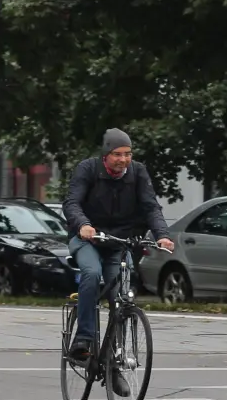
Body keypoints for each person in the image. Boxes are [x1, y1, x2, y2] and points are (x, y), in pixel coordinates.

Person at [61, 129, 175, 378]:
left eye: (128, 154)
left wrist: (162, 235)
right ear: (105, 155)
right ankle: (82, 341)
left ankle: (114, 361)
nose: (123, 160)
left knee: (121, 295)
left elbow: (150, 206)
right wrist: (82, 225)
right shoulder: (88, 169)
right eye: (117, 154)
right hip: (88, 238)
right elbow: (72, 202)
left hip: (119, 242)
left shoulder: (138, 172)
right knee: (92, 273)